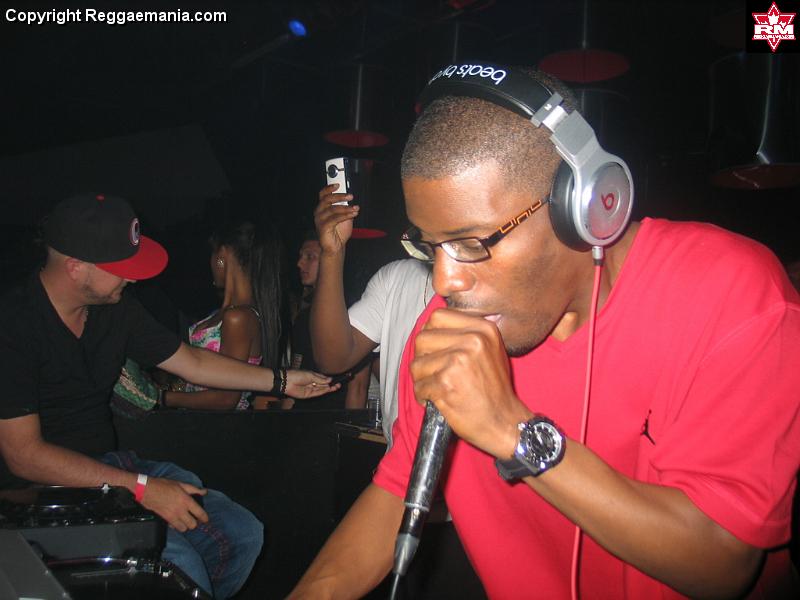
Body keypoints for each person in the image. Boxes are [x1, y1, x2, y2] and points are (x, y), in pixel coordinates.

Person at [290, 65, 800, 599]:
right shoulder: (451, 324)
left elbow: (722, 564)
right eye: (430, 245)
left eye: (471, 242)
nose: (444, 280)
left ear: (579, 205)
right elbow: (398, 488)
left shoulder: (730, 294)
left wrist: (514, 431)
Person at [0, 193, 336, 599]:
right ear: (76, 267)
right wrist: (141, 488)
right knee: (178, 565)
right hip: (37, 491)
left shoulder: (115, 309)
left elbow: (191, 362)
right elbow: (24, 456)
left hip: (108, 467)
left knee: (242, 534)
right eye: (123, 268)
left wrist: (280, 381)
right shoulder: (14, 324)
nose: (134, 278)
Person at [310, 185, 434, 446]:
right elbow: (333, 358)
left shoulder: (505, 284)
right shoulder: (396, 277)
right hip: (397, 465)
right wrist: (332, 253)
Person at [164, 220, 288, 410]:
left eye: (213, 255)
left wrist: (163, 398)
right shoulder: (228, 313)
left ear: (221, 256)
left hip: (218, 424)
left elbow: (226, 398)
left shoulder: (239, 317)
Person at [290, 230, 369, 410]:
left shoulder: (351, 313)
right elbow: (296, 371)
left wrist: (348, 425)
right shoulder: (303, 316)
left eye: (310, 257)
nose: (300, 263)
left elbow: (358, 387)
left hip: (333, 417)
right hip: (300, 416)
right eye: (301, 256)